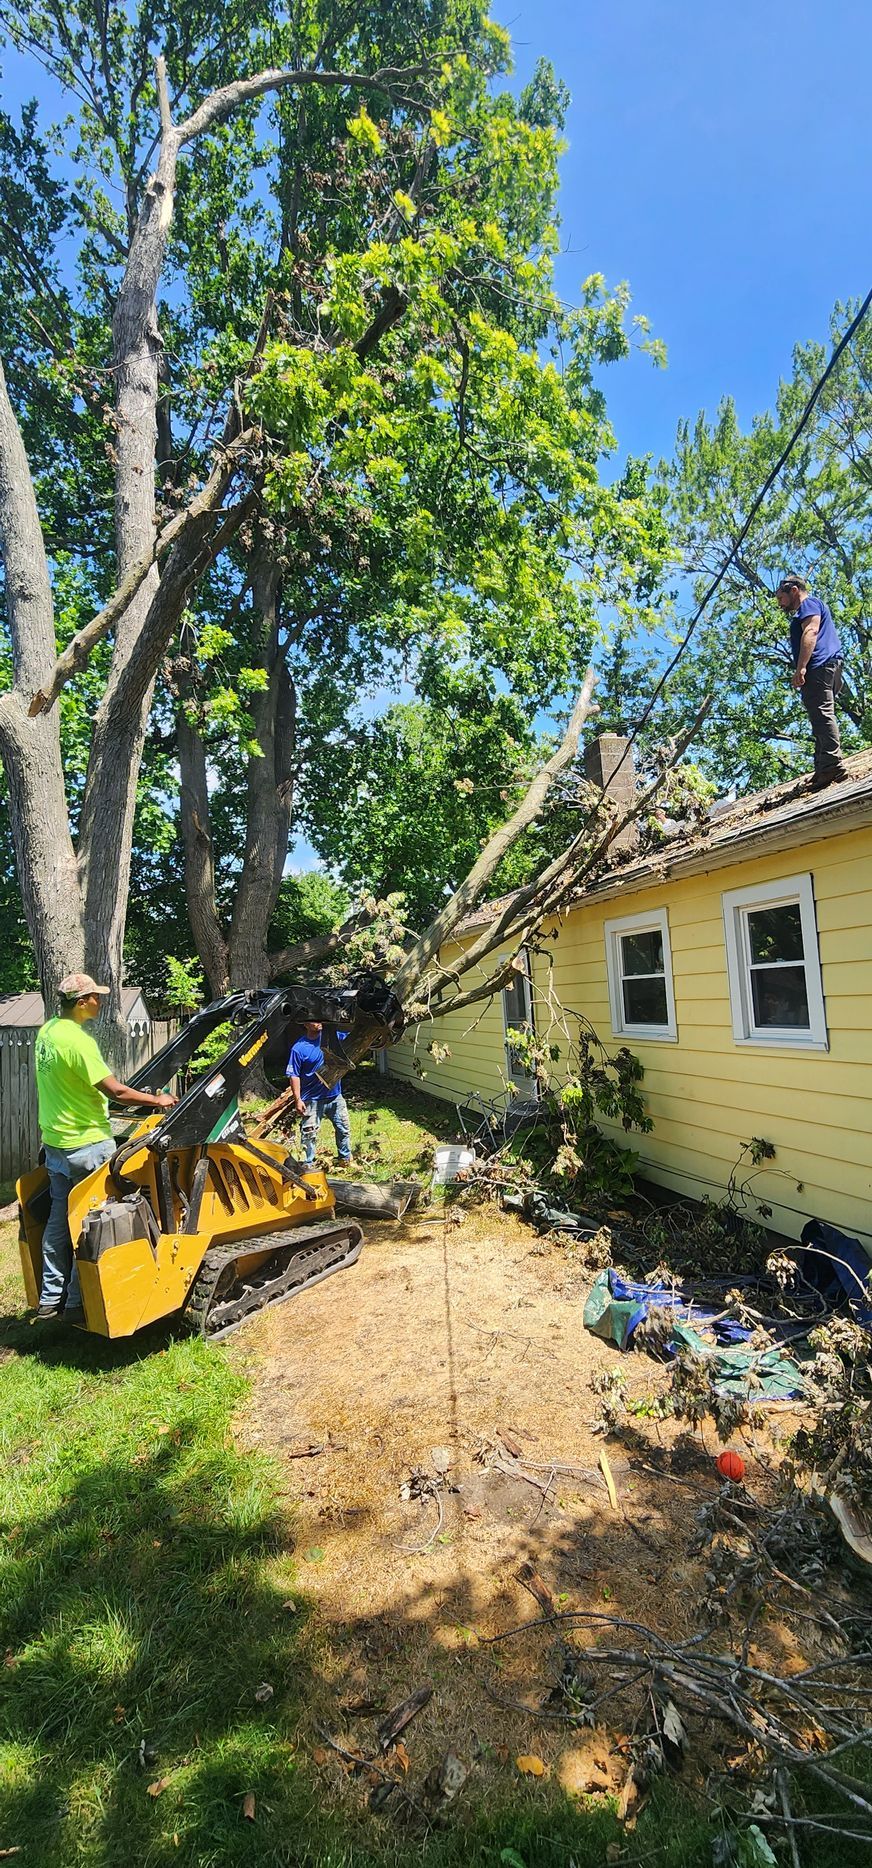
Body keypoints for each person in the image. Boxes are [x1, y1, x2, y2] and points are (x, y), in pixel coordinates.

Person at [34, 973, 178, 1321]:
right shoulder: (78, 1042)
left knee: (58, 1217)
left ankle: (50, 1297)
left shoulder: (48, 1032)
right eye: (96, 996)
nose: (101, 1000)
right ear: (82, 1002)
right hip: (86, 1144)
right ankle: (75, 1303)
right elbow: (116, 1091)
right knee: (92, 1221)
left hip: (56, 1143)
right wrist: (158, 1100)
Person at [775, 575, 848, 789]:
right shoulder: (811, 605)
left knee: (822, 714)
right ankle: (822, 766)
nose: (780, 603)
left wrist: (801, 667)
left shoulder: (809, 604)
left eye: (781, 598)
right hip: (828, 666)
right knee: (818, 715)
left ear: (794, 590)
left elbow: (811, 630)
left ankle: (832, 766)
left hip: (818, 666)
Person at [287, 1020, 352, 1168]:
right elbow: (294, 1075)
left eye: (319, 1019)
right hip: (311, 1099)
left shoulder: (334, 1038)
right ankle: (308, 1164)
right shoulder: (299, 1048)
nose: (318, 1023)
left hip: (335, 1096)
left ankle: (345, 1159)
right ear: (305, 1024)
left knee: (343, 1128)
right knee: (309, 1134)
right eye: (313, 1020)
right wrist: (298, 1099)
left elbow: (355, 1038)